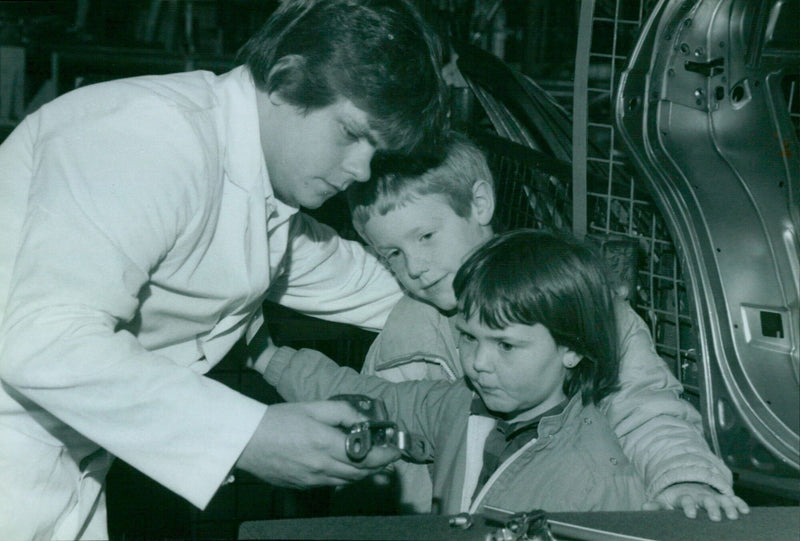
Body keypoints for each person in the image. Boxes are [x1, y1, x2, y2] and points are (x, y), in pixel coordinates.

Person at [0, 1, 448, 539]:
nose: (361, 170)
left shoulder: (257, 191)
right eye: (351, 134)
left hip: (68, 463)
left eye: (376, 150)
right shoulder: (149, 137)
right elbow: (43, 339)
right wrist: (248, 436)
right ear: (286, 81)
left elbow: (372, 285)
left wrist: (498, 299)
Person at [338, 131, 748, 520]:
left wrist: (684, 476)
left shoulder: (569, 295)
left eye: (426, 236)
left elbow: (643, 406)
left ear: (480, 203)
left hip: (565, 518)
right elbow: (374, 428)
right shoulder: (407, 328)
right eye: (391, 254)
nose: (415, 268)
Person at [258, 228, 649, 514]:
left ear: (572, 348)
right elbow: (365, 396)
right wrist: (268, 359)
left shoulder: (601, 482)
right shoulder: (458, 405)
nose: (478, 362)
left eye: (505, 345)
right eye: (468, 337)